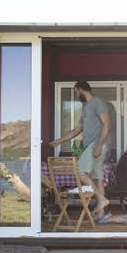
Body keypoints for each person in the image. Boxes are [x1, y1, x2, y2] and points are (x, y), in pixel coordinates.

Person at [49, 81, 113, 219]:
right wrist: (59, 141)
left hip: (97, 144)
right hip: (93, 145)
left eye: (76, 92)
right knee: (97, 178)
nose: (76, 95)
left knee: (79, 171)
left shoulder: (97, 102)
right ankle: (101, 215)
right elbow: (77, 130)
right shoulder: (86, 107)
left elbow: (107, 124)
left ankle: (101, 200)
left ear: (80, 89)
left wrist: (99, 145)